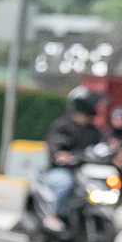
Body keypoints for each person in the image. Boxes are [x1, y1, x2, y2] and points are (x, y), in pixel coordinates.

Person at [41, 86, 105, 231]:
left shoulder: (93, 131)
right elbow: (54, 145)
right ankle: (52, 215)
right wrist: (61, 155)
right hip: (63, 171)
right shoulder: (63, 126)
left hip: (85, 172)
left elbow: (100, 148)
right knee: (65, 182)